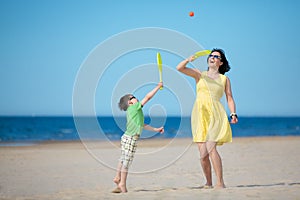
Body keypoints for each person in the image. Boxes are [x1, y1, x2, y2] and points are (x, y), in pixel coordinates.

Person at [176, 48, 238, 189]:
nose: (213, 57)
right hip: (199, 114)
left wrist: (233, 113)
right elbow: (179, 68)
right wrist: (188, 60)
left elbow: (229, 97)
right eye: (211, 55)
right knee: (203, 154)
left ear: (221, 63)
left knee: (211, 148)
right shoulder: (200, 75)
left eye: (216, 57)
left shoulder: (224, 79)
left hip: (216, 114)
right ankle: (208, 182)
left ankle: (220, 183)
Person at [112, 82, 164, 193]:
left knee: (123, 158)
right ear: (130, 102)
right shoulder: (135, 107)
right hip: (130, 138)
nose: (137, 98)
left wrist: (156, 129)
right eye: (134, 97)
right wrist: (158, 87)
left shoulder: (135, 111)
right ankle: (122, 184)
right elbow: (148, 97)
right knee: (127, 162)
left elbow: (142, 125)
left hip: (126, 137)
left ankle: (117, 177)